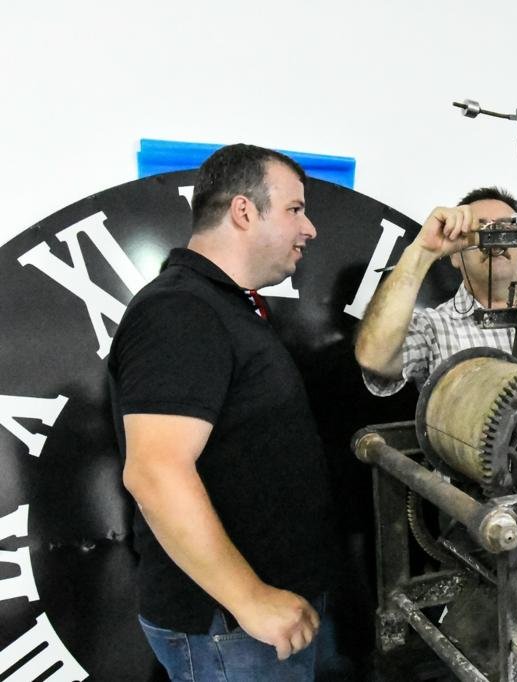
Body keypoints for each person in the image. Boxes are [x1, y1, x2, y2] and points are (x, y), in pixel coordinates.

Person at [109, 144, 345, 680]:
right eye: (294, 209)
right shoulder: (180, 310)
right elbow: (155, 471)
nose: (309, 228)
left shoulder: (222, 305)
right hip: (232, 631)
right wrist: (251, 599)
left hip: (257, 623)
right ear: (243, 211)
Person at [356, 187, 517, 396]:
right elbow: (375, 356)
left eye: (506, 229)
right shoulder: (433, 327)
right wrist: (423, 251)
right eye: (481, 231)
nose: (495, 240)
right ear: (455, 256)